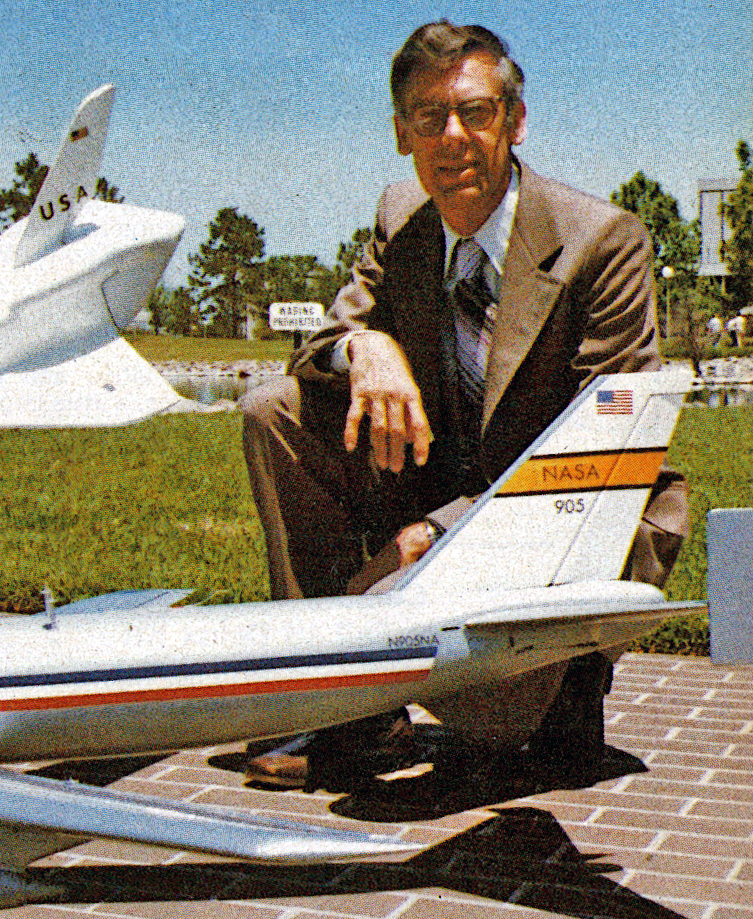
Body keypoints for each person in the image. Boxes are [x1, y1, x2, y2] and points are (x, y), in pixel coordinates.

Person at [240, 22, 688, 791]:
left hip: (564, 506)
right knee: (271, 410)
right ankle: (346, 708)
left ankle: (566, 685)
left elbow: (595, 451)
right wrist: (363, 348)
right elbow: (319, 345)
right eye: (428, 117)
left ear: (514, 122)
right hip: (436, 481)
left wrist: (428, 536)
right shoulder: (399, 215)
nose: (453, 138)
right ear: (401, 133)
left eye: (476, 113)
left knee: (495, 721)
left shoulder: (601, 240)